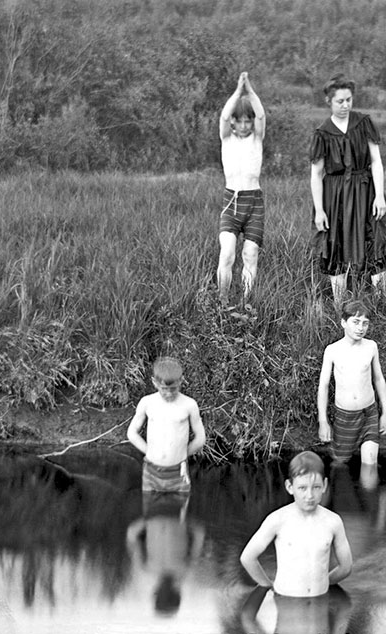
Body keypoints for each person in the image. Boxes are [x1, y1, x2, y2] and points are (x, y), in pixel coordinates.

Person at [310, 74, 386, 304]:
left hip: (365, 190)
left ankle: (381, 302)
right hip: (334, 195)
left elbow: (376, 161)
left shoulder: (363, 123)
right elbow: (316, 174)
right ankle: (339, 304)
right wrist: (319, 210)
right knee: (333, 242)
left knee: (375, 238)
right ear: (329, 101)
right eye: (340, 101)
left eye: (349, 100)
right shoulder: (323, 133)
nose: (345, 105)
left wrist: (379, 195)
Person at [239, 451, 353, 597]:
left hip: (319, 606)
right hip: (287, 601)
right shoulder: (277, 520)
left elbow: (346, 567)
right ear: (289, 487)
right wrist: (267, 585)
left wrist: (323, 582)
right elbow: (248, 557)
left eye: (316, 487)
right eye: (302, 488)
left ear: (324, 485)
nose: (310, 495)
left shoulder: (333, 521)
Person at [317, 299, 386, 465]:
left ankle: (370, 488)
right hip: (345, 416)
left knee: (370, 462)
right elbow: (323, 386)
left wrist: (385, 412)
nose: (360, 328)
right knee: (340, 463)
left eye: (365, 323)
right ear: (344, 323)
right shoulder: (332, 350)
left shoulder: (371, 347)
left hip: (369, 413)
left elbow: (379, 379)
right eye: (356, 322)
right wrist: (323, 421)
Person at [217, 71, 266, 304]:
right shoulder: (227, 138)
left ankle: (246, 304)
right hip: (231, 201)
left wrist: (250, 90)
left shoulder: (257, 139)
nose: (245, 125)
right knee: (227, 253)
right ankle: (223, 302)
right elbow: (224, 117)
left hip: (254, 201)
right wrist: (238, 91)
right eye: (241, 120)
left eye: (249, 120)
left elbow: (262, 115)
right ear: (235, 122)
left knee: (250, 254)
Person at [127, 357, 206, 493]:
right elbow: (132, 433)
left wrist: (182, 454)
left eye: (173, 388)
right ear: (154, 383)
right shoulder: (147, 402)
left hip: (178, 472)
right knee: (150, 510)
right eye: (164, 389)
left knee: (179, 508)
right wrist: (149, 451)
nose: (169, 393)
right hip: (151, 471)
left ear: (181, 381)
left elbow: (200, 438)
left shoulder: (189, 405)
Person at [126, 493, 205, 615]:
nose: (162, 590)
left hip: (153, 505)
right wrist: (185, 522)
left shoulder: (147, 567)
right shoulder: (186, 568)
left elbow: (132, 534)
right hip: (177, 505)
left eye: (161, 594)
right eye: (167, 594)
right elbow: (199, 533)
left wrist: (149, 521)